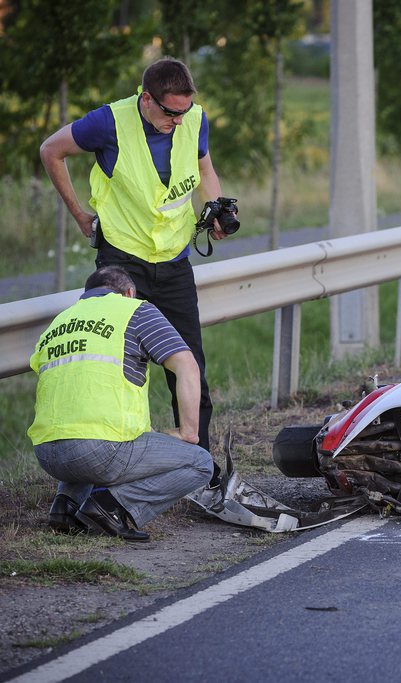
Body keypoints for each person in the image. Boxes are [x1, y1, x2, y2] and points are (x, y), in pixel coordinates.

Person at [39, 56, 233, 485]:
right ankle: (108, 466)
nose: (179, 121)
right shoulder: (107, 122)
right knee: (117, 366)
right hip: (121, 261)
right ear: (147, 99)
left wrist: (215, 207)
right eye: (170, 112)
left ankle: (197, 464)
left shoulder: (194, 119)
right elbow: (50, 150)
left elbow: (204, 167)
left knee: (188, 363)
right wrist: (79, 215)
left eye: (185, 112)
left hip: (174, 261)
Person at [29, 266, 214, 542]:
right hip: (100, 451)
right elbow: (187, 366)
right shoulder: (135, 310)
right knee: (200, 463)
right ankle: (111, 508)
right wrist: (188, 431)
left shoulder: (60, 322)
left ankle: (65, 506)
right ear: (129, 292)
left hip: (47, 453)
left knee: (85, 430)